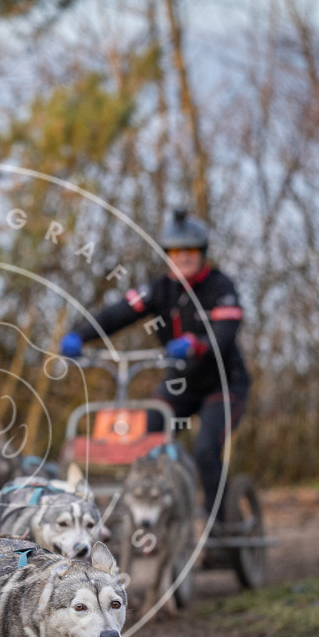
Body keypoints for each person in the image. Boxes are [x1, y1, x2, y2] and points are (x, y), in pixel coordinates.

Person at [59, 208, 251, 520]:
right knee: (143, 445)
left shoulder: (221, 288)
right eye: (176, 251)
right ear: (167, 255)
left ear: (202, 254)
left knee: (205, 449)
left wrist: (196, 343)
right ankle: (152, 515)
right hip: (181, 384)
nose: (183, 258)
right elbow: (117, 313)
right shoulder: (158, 289)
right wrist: (79, 336)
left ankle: (221, 525)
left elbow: (224, 335)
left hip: (224, 385)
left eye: (190, 251)